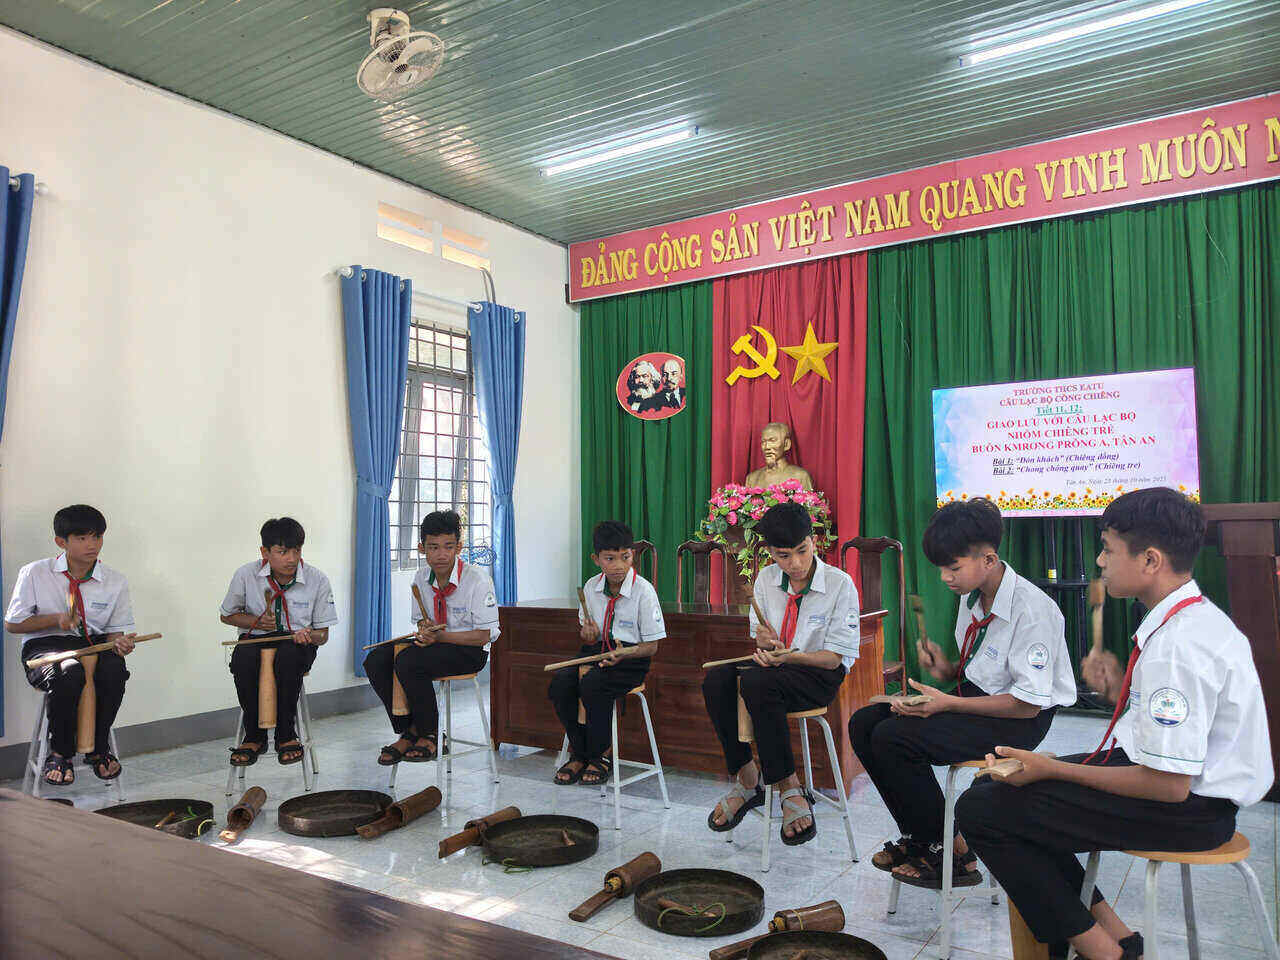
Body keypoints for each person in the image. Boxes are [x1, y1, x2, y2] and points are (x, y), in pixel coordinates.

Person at [956, 488, 1272, 960]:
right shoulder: (1189, 621)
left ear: (1150, 560)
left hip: (1192, 811)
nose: (1100, 561)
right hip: (1182, 789)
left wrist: (1052, 768)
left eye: (1107, 549)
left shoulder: (1179, 646)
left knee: (985, 809)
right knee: (999, 791)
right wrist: (1114, 695)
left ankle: (1105, 954)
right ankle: (1116, 936)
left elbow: (1168, 786)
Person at [849, 497, 1075, 889]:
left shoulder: (1033, 610)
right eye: (941, 568)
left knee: (894, 738)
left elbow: (1026, 705)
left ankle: (948, 851)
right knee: (865, 723)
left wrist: (947, 703)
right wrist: (946, 670)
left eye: (953, 568)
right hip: (979, 697)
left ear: (989, 559)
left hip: (1021, 720)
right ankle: (928, 838)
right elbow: (982, 669)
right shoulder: (971, 597)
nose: (945, 578)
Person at [702, 502, 858, 845]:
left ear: (814, 541)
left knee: (757, 683)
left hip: (818, 673)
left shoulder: (840, 584)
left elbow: (834, 659)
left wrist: (790, 655)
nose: (795, 564)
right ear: (771, 552)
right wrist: (763, 641)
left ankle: (789, 786)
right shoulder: (766, 579)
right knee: (716, 680)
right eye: (783, 556)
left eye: (802, 550)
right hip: (776, 670)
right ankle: (747, 778)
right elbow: (761, 638)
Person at [6, 504, 139, 785]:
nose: (92, 545)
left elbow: (114, 633)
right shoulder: (34, 573)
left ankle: (99, 748)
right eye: (81, 538)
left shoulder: (115, 580)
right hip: (45, 646)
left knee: (114, 670)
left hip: (94, 644)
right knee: (69, 672)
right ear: (61, 542)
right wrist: (56, 619)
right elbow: (13, 624)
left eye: (97, 537)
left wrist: (120, 644)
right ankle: (60, 752)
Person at [366, 509, 500, 764]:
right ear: (422, 548)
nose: (441, 555)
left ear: (459, 547)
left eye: (448, 547)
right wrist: (425, 628)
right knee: (376, 659)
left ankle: (430, 734)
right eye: (433, 547)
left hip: (469, 651)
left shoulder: (478, 580)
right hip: (436, 645)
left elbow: (483, 636)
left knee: (409, 662)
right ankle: (410, 730)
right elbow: (421, 620)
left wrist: (440, 638)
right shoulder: (421, 577)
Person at [550, 521, 664, 786]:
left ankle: (601, 755)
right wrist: (587, 634)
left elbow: (652, 646)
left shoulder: (644, 591)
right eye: (610, 558)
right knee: (560, 684)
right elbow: (588, 636)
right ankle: (580, 752)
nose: (618, 565)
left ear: (632, 555)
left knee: (593, 684)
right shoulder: (591, 587)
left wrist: (624, 654)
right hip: (595, 652)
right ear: (596, 559)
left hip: (631, 659)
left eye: (625, 557)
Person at [220, 517, 337, 766]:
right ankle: (254, 736)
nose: (291, 559)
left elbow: (323, 635)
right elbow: (226, 615)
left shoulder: (317, 579)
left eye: (297, 551)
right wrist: (255, 621)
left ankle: (286, 734)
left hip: (297, 645)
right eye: (282, 552)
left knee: (288, 657)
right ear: (265, 552)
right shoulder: (246, 574)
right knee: (242, 659)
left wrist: (308, 635)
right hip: (255, 640)